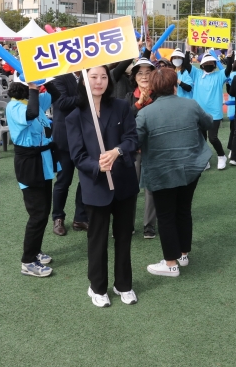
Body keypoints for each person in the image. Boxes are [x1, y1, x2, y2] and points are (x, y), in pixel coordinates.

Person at [65, 66, 140, 307]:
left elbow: (132, 138)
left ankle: (123, 284)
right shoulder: (74, 115)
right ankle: (97, 287)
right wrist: (98, 165)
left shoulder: (121, 106)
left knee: (123, 237)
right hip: (96, 187)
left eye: (103, 76)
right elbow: (77, 156)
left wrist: (117, 152)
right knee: (97, 239)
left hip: (124, 184)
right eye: (93, 77)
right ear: (84, 80)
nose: (99, 81)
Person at [137, 68, 212, 278]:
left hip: (162, 170)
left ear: (152, 88)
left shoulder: (145, 113)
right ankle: (183, 254)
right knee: (183, 209)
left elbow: (135, 141)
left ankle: (171, 262)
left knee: (166, 215)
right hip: (191, 166)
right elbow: (208, 122)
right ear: (174, 85)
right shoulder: (191, 104)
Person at [7, 81, 57, 279]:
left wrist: (49, 77)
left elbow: (55, 94)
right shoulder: (15, 106)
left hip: (43, 161)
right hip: (29, 162)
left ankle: (35, 251)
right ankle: (28, 261)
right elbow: (31, 113)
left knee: (44, 211)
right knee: (37, 213)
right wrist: (34, 88)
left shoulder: (30, 101)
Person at [44, 72, 89, 235]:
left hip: (86, 136)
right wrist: (88, 96)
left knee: (86, 178)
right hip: (65, 139)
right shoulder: (59, 77)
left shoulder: (90, 74)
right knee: (63, 180)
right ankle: (58, 218)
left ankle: (80, 218)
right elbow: (61, 102)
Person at [125, 58, 158, 238]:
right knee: (130, 188)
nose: (144, 76)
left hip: (153, 149)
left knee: (151, 188)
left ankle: (149, 225)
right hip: (133, 151)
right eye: (140, 73)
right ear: (134, 77)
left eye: (148, 72)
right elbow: (124, 120)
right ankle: (127, 223)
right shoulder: (129, 97)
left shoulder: (160, 96)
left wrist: (149, 100)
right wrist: (139, 103)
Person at [192, 51, 233, 170]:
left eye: (211, 62)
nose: (209, 64)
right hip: (199, 113)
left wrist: (229, 57)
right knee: (201, 138)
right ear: (202, 65)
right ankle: (205, 160)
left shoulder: (219, 75)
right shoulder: (197, 74)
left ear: (214, 64)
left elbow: (228, 69)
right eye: (206, 62)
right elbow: (186, 65)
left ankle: (221, 156)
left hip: (214, 113)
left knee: (212, 137)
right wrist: (188, 49)